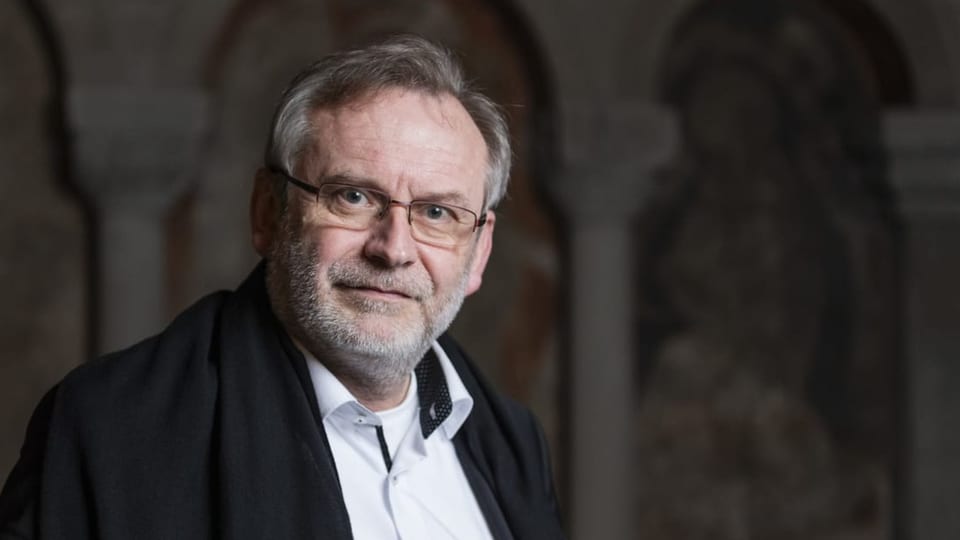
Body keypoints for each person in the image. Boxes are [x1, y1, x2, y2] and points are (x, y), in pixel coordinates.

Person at [0, 35, 564, 540]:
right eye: (354, 197)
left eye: (437, 212)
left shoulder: (511, 444)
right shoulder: (111, 429)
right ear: (269, 213)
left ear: (478, 251)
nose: (394, 249)